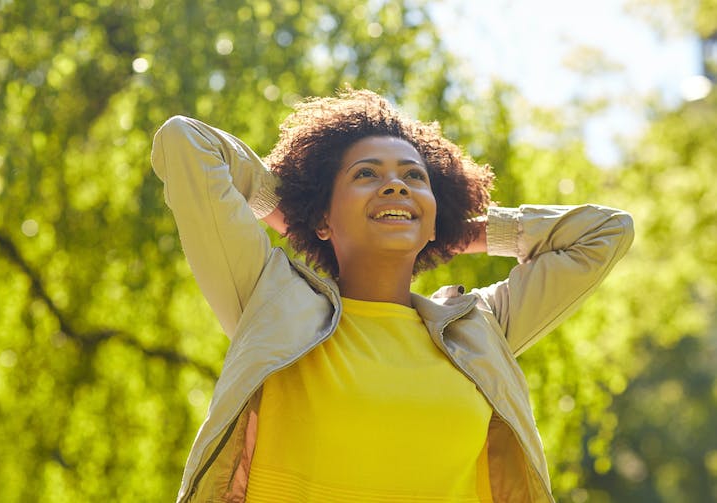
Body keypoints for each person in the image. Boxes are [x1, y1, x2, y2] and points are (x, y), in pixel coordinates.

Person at [151, 89, 634, 503]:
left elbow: (606, 232)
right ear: (324, 215)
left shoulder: (481, 328)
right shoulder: (269, 300)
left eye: (414, 177)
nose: (396, 184)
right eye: (366, 174)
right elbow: (185, 142)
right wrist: (296, 217)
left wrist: (451, 234)